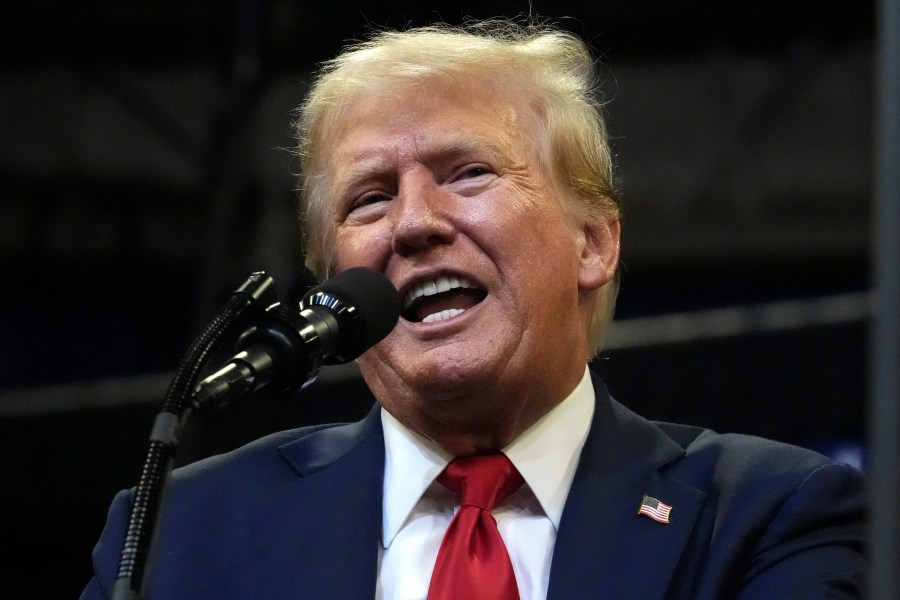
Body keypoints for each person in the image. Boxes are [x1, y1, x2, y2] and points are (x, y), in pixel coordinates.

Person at [81, 19, 867, 599]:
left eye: (466, 173)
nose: (415, 222)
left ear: (593, 243)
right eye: (371, 197)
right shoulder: (177, 534)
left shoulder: (767, 518)